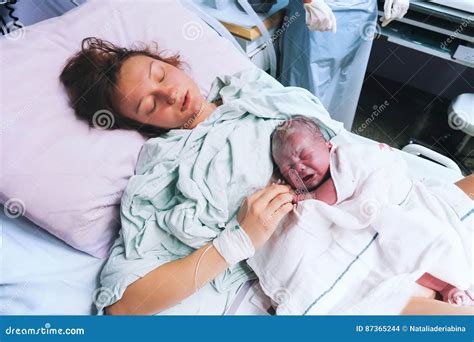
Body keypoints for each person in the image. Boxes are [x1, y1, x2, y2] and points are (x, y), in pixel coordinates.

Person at [60, 38, 473, 315]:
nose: (168, 93)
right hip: (331, 254)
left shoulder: (255, 89)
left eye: (161, 75)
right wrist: (238, 238)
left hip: (390, 197)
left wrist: (361, 155)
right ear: (140, 124)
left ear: (172, 63)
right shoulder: (166, 169)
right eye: (149, 104)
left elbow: (331, 132)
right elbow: (123, 303)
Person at [270, 116, 473, 310]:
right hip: (376, 230)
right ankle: (445, 286)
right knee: (400, 262)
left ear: (328, 147)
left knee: (421, 242)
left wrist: (305, 198)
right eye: (289, 169)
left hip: (398, 208)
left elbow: (332, 193)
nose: (300, 168)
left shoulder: (347, 158)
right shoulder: (308, 185)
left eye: (304, 156)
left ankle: (449, 284)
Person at [279, 0, 409, 130]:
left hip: (362, 12)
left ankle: (334, 144)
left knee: (345, 92)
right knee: (307, 102)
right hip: (320, 11)